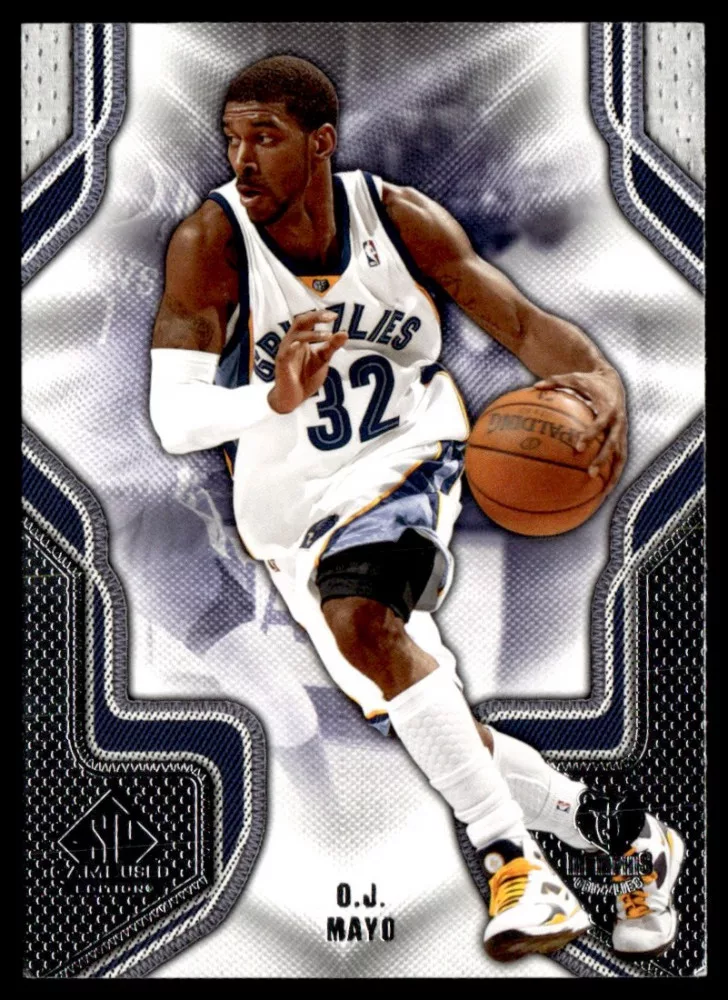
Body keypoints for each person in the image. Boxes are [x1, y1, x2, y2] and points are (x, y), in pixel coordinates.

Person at [149, 55, 683, 962]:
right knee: (425, 712)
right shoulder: (212, 240)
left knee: (363, 618)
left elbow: (519, 323)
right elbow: (174, 418)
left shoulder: (397, 219)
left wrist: (596, 380)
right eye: (231, 140)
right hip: (288, 516)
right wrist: (272, 398)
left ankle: (516, 868)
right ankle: (632, 838)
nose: (241, 160)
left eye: (265, 138)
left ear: (321, 142)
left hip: (408, 455)